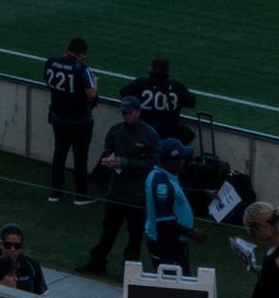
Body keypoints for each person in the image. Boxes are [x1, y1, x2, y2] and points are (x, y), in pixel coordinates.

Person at [77, 95, 159, 275]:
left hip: (136, 195)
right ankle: (98, 261)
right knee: (109, 230)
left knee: (135, 234)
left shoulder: (149, 135)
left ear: (138, 112)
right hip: (116, 191)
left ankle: (129, 269)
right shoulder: (115, 131)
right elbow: (108, 150)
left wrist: (125, 163)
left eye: (129, 113)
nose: (126, 116)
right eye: (123, 113)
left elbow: (152, 164)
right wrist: (109, 161)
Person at [42, 37, 97, 203]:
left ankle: (56, 192)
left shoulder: (51, 62)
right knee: (80, 157)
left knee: (59, 154)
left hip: (59, 117)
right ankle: (81, 195)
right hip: (80, 120)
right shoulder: (81, 68)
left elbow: (48, 81)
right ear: (81, 54)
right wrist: (95, 82)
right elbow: (91, 94)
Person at [143, 139, 200, 273]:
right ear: (170, 161)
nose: (183, 162)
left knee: (179, 283)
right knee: (173, 286)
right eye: (181, 159)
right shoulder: (161, 183)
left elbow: (178, 194)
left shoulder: (166, 177)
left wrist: (204, 194)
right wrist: (191, 233)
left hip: (173, 241)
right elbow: (165, 224)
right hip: (166, 244)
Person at [123, 55, 195, 143]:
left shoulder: (140, 83)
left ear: (151, 68)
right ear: (168, 70)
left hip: (142, 132)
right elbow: (191, 102)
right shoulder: (176, 86)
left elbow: (123, 95)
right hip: (169, 133)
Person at [0, 224, 49, 295]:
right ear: (1, 244)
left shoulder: (33, 266)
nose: (12, 249)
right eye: (8, 245)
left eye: (17, 246)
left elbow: (40, 296)